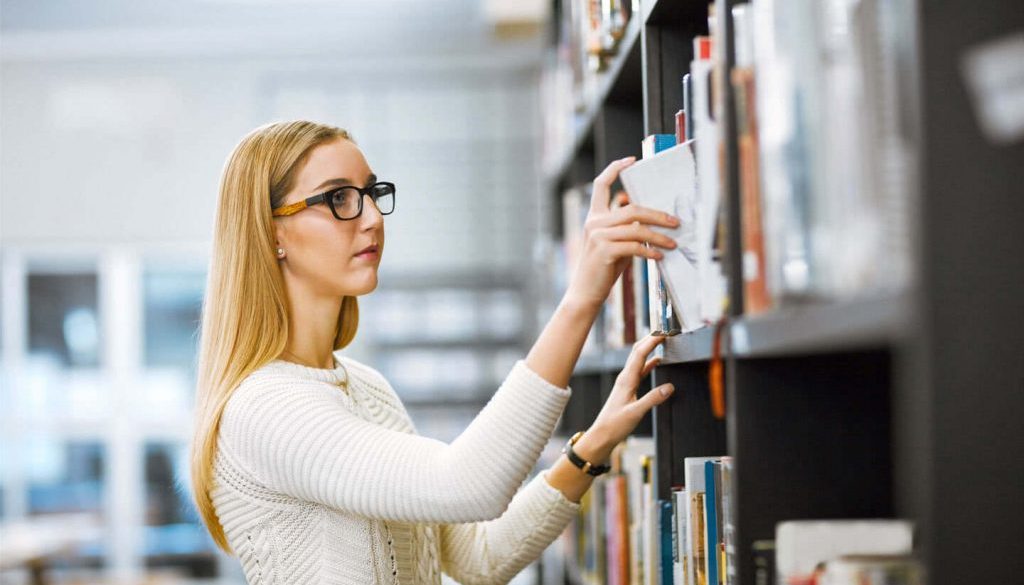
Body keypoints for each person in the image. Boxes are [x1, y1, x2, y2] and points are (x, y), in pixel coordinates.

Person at [189, 120, 681, 584]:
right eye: (340, 197)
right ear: (272, 232)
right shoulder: (264, 408)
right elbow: (468, 485)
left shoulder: (366, 389)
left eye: (371, 193)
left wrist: (591, 448)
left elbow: (478, 557)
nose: (373, 218)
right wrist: (582, 298)